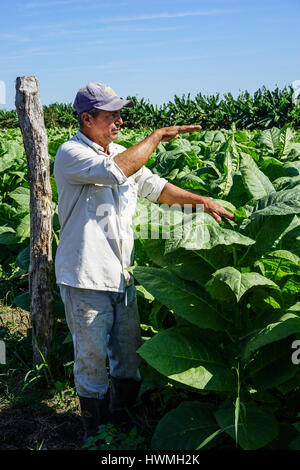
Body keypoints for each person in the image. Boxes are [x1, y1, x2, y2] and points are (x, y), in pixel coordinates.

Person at [54, 82, 234, 443]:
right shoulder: (71, 153)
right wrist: (156, 136)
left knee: (129, 360)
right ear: (87, 119)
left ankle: (122, 422)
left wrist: (203, 201)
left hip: (121, 276)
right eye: (111, 115)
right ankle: (95, 434)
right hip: (85, 277)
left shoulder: (121, 151)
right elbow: (114, 171)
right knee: (91, 362)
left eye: (120, 114)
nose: (119, 121)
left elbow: (157, 187)